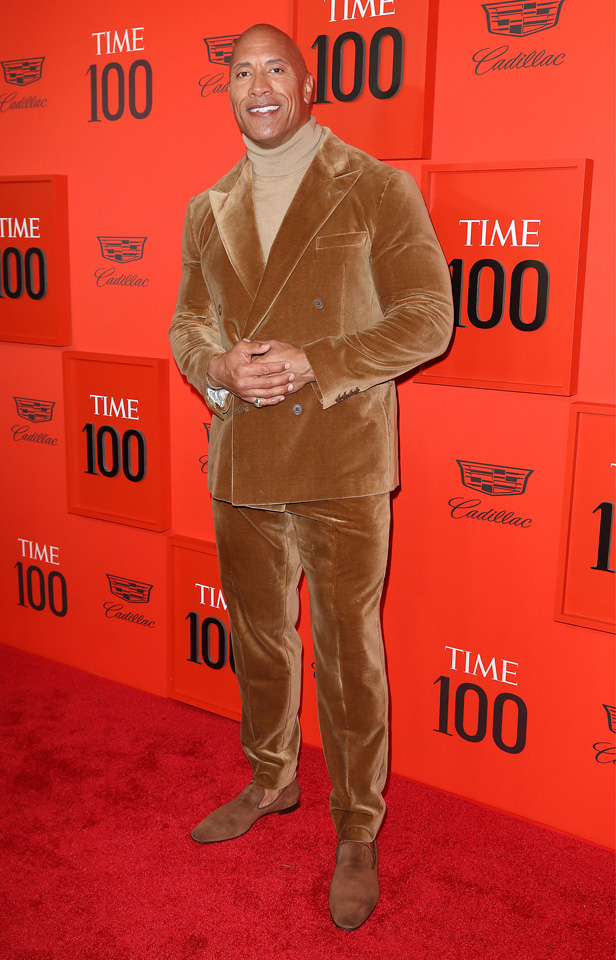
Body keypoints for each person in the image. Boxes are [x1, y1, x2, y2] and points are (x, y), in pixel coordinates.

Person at [169, 22, 453, 930]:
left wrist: (316, 362)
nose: (257, 85)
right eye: (240, 72)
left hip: (341, 462)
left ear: (306, 85)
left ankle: (358, 827)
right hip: (242, 458)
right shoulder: (206, 207)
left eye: (274, 69)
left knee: (347, 653)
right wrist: (218, 369)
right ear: (228, 92)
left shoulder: (373, 186)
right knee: (259, 640)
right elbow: (187, 326)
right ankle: (271, 778)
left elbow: (428, 316)